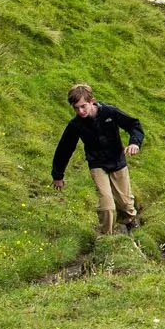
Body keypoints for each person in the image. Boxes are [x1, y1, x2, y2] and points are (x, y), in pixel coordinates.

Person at [51, 83, 144, 234]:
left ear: (91, 101)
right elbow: (64, 149)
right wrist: (58, 175)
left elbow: (134, 124)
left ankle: (130, 222)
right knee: (107, 205)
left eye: (83, 106)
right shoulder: (75, 125)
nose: (80, 111)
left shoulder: (109, 112)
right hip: (97, 164)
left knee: (125, 203)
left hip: (117, 161)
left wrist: (134, 142)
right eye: (76, 108)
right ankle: (106, 236)